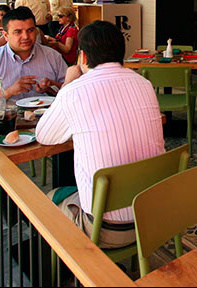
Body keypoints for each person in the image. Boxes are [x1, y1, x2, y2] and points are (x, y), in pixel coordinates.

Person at [36, 21, 164, 249]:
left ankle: (73, 272)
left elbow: (44, 136)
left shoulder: (74, 91)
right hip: (152, 220)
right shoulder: (145, 85)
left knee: (48, 200)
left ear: (82, 57)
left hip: (104, 230)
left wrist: (67, 83)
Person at [0, 6, 67, 109]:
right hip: (6, 122)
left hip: (47, 120)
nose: (26, 37)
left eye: (30, 30)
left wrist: (51, 87)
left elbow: (73, 92)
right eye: (18, 32)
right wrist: (8, 92)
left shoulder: (53, 57)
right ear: (6, 35)